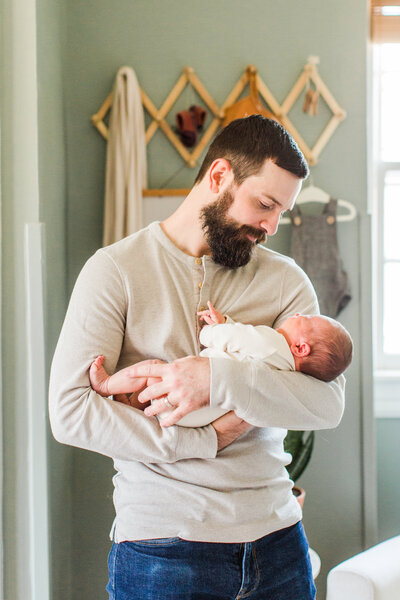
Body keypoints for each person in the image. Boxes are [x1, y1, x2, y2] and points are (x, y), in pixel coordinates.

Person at [49, 115, 346, 600]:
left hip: (278, 545)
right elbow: (71, 412)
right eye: (265, 204)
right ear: (218, 177)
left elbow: (324, 405)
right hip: (163, 551)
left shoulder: (287, 281)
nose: (271, 226)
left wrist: (216, 378)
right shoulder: (115, 271)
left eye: (281, 212)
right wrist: (207, 438)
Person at [88, 301, 353, 427]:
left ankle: (107, 384)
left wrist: (211, 332)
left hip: (187, 403)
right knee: (154, 390)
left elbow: (238, 338)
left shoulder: (272, 341)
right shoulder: (284, 367)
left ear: (301, 347)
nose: (297, 314)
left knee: (152, 370)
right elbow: (245, 344)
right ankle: (130, 405)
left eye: (304, 319)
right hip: (200, 419)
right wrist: (227, 321)